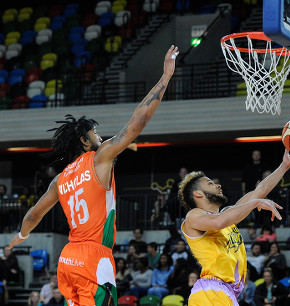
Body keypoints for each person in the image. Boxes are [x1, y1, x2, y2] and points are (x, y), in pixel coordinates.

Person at [8, 45, 179, 305]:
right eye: (95, 134)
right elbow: (138, 122)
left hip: (67, 259)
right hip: (94, 258)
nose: (100, 137)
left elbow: (33, 214)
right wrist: (165, 78)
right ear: (85, 142)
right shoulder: (100, 157)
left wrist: (20, 237)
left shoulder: (60, 179)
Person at [178, 149, 290, 305]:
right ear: (198, 194)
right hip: (211, 290)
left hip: (226, 293)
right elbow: (218, 222)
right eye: (210, 184)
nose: (218, 186)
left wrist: (284, 166)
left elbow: (258, 191)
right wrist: (255, 204)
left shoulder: (228, 215)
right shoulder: (194, 216)